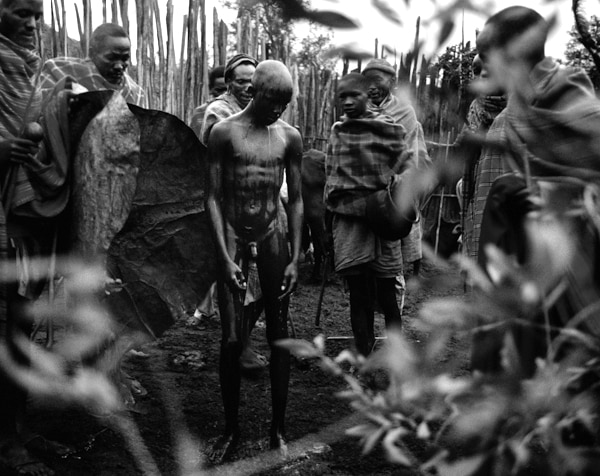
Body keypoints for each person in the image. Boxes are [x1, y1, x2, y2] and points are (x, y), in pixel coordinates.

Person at [471, 5, 600, 374]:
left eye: (486, 55)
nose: (481, 66)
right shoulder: (511, 108)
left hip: (574, 242)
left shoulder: (567, 89)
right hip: (524, 248)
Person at [205, 59, 302, 461]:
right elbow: (210, 195)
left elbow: (295, 199)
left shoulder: (289, 137)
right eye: (271, 101)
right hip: (231, 231)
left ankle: (277, 430)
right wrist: (225, 257)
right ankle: (231, 429)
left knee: (279, 335)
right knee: (231, 339)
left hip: (271, 231)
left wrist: (296, 258)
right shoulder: (224, 132)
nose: (277, 110)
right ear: (254, 92)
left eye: (284, 103)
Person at [0, 1, 64, 474]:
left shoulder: (40, 72)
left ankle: (15, 432)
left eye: (38, 14)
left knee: (22, 320)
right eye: (22, 12)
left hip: (27, 205)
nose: (33, 23)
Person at [325, 73, 413, 357]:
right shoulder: (339, 131)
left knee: (388, 297)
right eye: (343, 97)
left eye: (355, 96)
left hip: (382, 221)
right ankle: (364, 358)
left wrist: (387, 194)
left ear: (368, 96)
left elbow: (404, 167)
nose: (349, 102)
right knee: (359, 298)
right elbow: (332, 178)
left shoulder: (389, 129)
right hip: (350, 225)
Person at [362, 58, 430, 279]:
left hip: (393, 193)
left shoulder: (405, 113)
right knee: (363, 264)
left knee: (391, 266)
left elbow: (411, 155)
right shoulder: (357, 109)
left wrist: (395, 180)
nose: (371, 87)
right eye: (366, 81)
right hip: (362, 190)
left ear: (391, 82)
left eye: (377, 80)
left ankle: (403, 281)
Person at [40, 23, 146, 107]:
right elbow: (38, 110)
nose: (119, 66)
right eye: (111, 58)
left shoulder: (134, 93)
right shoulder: (58, 71)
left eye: (124, 59)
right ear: (92, 54)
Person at [200, 53, 257, 146]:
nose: (248, 88)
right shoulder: (218, 110)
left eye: (252, 81)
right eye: (241, 82)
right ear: (229, 83)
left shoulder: (259, 109)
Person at [189, 65, 226, 140]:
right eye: (219, 90)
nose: (223, 95)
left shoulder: (244, 111)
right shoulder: (201, 113)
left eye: (227, 90)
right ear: (211, 90)